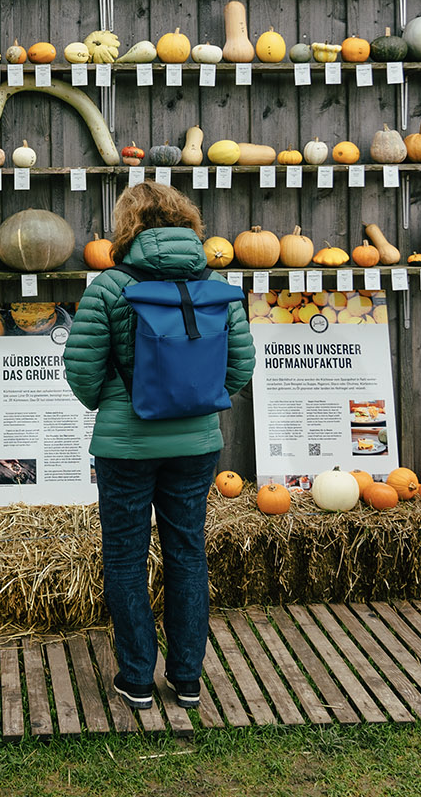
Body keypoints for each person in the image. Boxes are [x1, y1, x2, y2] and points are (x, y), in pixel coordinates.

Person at [62, 182, 254, 711]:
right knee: (187, 552)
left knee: (125, 557)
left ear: (127, 227)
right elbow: (240, 367)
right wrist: (196, 401)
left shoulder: (109, 287)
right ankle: (188, 679)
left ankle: (138, 679)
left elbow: (81, 373)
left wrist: (117, 401)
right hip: (196, 445)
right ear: (185, 223)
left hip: (125, 447)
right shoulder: (213, 282)